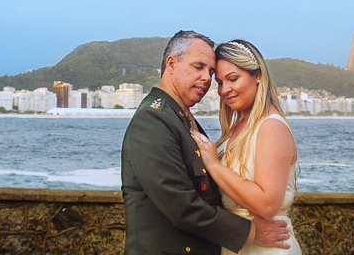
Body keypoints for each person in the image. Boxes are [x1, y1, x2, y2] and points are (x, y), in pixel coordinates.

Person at [121, 30, 291, 255]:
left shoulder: (178, 116)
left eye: (211, 72)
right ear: (171, 64)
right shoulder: (153, 119)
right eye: (198, 67)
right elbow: (182, 206)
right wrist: (250, 232)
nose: (207, 80)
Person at [190, 39, 302, 255]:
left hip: (268, 248)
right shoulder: (239, 127)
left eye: (233, 79)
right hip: (240, 245)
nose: (225, 90)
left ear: (257, 75)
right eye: (220, 82)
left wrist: (214, 165)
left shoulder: (271, 127)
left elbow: (267, 205)